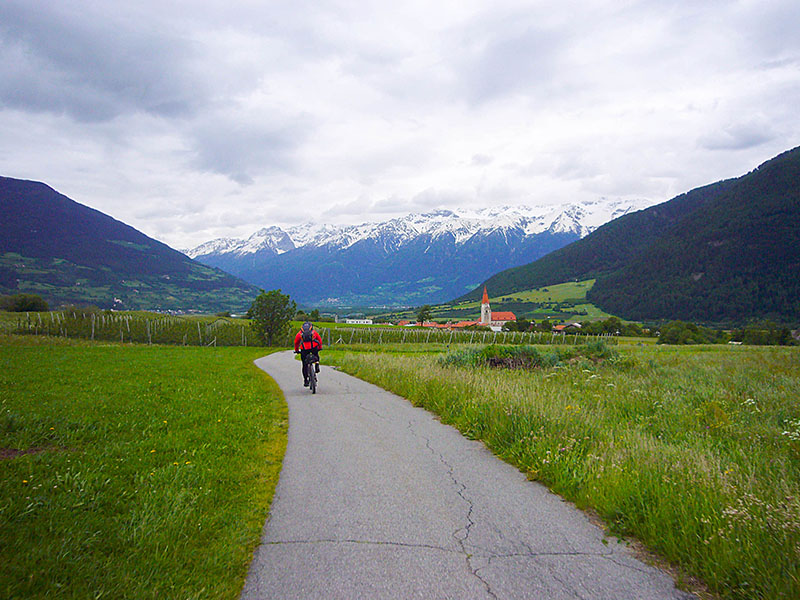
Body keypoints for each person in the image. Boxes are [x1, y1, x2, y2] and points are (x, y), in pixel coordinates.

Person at [294, 321, 322, 386]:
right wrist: (320, 347)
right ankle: (317, 364)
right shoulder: (313, 332)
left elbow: (296, 342)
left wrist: (297, 350)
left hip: (304, 349)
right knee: (316, 355)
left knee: (304, 364)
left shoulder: (300, 333)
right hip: (313, 347)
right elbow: (319, 339)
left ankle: (306, 380)